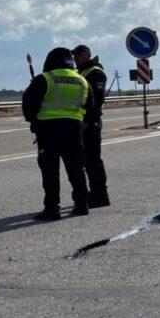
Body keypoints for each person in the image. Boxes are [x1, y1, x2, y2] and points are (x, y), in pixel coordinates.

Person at [22, 48, 95, 220]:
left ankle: (52, 208)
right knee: (76, 168)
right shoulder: (82, 81)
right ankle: (82, 204)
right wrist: (82, 124)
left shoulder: (45, 79)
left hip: (48, 130)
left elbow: (29, 104)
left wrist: (33, 122)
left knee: (50, 171)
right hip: (74, 129)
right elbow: (91, 107)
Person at [72, 45, 110, 208]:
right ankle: (93, 193)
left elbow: (97, 100)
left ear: (87, 54)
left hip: (91, 122)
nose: (76, 59)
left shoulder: (95, 71)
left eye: (79, 56)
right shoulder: (80, 72)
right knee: (86, 160)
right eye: (74, 56)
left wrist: (88, 121)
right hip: (83, 121)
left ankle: (100, 195)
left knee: (93, 160)